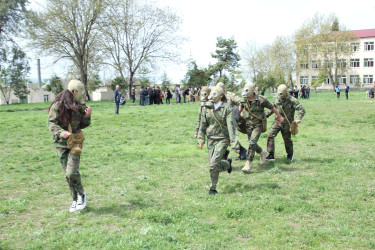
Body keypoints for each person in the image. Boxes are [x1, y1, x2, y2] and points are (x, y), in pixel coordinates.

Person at [47, 79, 92, 212]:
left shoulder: (80, 106)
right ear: (74, 91)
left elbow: (83, 125)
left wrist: (87, 116)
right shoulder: (58, 106)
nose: (83, 95)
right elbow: (51, 124)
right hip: (61, 144)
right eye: (81, 92)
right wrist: (61, 132)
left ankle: (82, 195)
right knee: (67, 175)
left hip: (75, 142)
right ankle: (74, 199)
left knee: (71, 172)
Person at [197, 86, 240, 195]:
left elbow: (232, 127)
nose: (213, 96)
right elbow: (203, 124)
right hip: (211, 140)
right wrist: (201, 138)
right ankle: (227, 164)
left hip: (222, 139)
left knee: (213, 164)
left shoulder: (227, 108)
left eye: (216, 94)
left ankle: (213, 188)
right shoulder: (206, 107)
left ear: (221, 96)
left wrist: (234, 144)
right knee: (213, 165)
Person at [239, 82, 285, 173]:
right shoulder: (243, 99)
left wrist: (279, 117)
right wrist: (236, 118)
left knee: (252, 143)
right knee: (252, 143)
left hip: (258, 125)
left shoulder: (261, 100)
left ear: (253, 90)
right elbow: (239, 109)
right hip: (248, 124)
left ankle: (248, 163)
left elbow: (273, 108)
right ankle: (262, 152)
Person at [266, 84, 305, 161]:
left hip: (287, 123)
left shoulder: (292, 100)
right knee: (270, 135)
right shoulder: (276, 99)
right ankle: (271, 154)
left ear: (286, 92)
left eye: (282, 94)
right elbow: (272, 109)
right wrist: (264, 116)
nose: (280, 96)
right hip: (277, 122)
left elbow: (301, 109)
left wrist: (298, 118)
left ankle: (290, 154)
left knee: (287, 140)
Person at [216, 82, 247, 161]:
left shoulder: (229, 95)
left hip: (230, 120)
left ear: (224, 89)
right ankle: (226, 153)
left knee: (228, 137)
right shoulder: (217, 96)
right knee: (223, 137)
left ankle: (240, 151)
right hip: (222, 121)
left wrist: (237, 114)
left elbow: (241, 102)